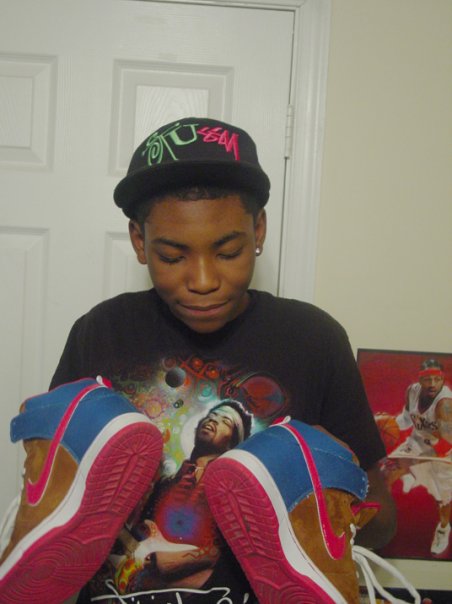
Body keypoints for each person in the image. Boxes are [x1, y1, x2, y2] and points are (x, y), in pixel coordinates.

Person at [3, 117, 396, 603]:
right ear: (139, 242)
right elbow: (57, 480)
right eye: (173, 257)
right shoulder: (101, 331)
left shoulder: (314, 339)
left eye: (228, 252)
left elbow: (384, 524)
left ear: (258, 230)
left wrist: (331, 495)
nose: (204, 280)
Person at [384, 359, 452, 555]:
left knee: (443, 502)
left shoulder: (445, 404)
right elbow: (406, 420)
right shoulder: (412, 391)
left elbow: (446, 444)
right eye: (427, 379)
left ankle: (443, 529)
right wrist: (386, 422)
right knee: (386, 471)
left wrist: (412, 463)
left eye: (437, 379)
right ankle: (381, 520)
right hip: (418, 442)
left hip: (444, 453)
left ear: (442, 380)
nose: (432, 384)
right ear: (420, 380)